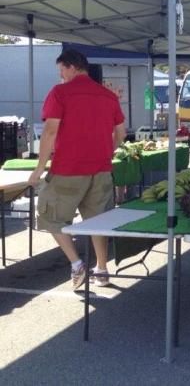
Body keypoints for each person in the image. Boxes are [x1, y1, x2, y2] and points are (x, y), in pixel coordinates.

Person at [28, 49, 126, 289]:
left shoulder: (60, 93)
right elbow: (121, 135)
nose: (60, 75)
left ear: (72, 66)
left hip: (67, 170)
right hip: (101, 169)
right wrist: (106, 153)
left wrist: (39, 169)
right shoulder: (108, 96)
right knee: (98, 221)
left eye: (61, 70)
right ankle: (102, 270)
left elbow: (50, 131)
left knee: (50, 216)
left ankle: (76, 264)